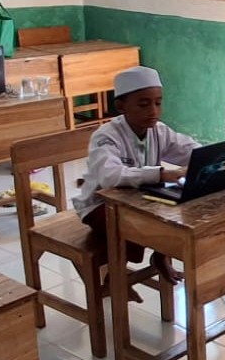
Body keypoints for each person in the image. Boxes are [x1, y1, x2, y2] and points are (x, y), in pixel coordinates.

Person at [73, 66, 200, 301]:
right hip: (99, 205)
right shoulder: (106, 136)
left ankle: (160, 256)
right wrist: (162, 174)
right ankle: (113, 277)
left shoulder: (158, 130)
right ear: (121, 106)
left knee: (179, 213)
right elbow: (110, 176)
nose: (153, 111)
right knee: (138, 227)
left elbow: (189, 150)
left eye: (158, 103)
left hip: (137, 199)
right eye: (143, 104)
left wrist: (214, 157)